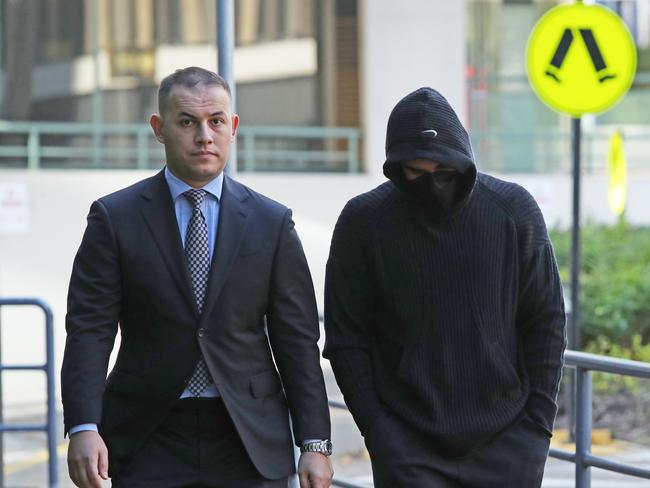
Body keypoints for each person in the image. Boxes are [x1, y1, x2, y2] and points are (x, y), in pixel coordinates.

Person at [61, 66, 333, 488]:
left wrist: (315, 443)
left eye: (216, 121)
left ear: (233, 127)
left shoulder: (272, 223)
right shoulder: (114, 219)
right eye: (187, 122)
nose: (204, 135)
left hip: (248, 437)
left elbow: (297, 340)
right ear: (159, 128)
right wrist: (83, 425)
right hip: (148, 434)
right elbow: (89, 330)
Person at [323, 87, 566, 487]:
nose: (431, 185)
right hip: (407, 446)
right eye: (415, 175)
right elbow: (347, 338)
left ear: (463, 163)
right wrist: (379, 431)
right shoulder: (364, 222)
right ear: (395, 170)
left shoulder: (512, 211)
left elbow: (546, 321)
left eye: (444, 173)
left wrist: (536, 428)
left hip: (508, 447)